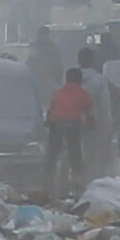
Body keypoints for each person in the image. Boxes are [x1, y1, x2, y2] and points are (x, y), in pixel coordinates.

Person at [45, 68, 94, 196]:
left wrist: (48, 123)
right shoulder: (83, 94)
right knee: (75, 152)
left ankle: (48, 177)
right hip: (73, 125)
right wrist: (91, 125)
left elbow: (50, 110)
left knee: (52, 152)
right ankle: (77, 178)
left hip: (56, 124)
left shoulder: (58, 92)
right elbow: (89, 114)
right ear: (80, 80)